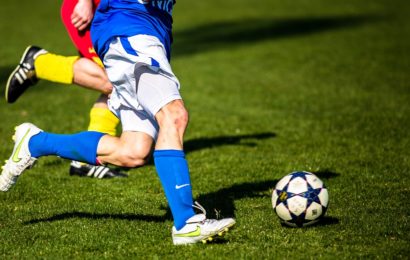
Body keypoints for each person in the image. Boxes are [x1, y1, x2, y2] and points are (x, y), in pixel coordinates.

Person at [0, 0, 236, 245]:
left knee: (134, 151)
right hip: (130, 29)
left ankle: (36, 142)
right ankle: (186, 223)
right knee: (173, 115)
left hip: (147, 34)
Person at [5, 0, 126, 178]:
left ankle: (87, 160)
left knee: (122, 83)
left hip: (116, 13)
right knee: (118, 83)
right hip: (90, 9)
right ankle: (40, 63)